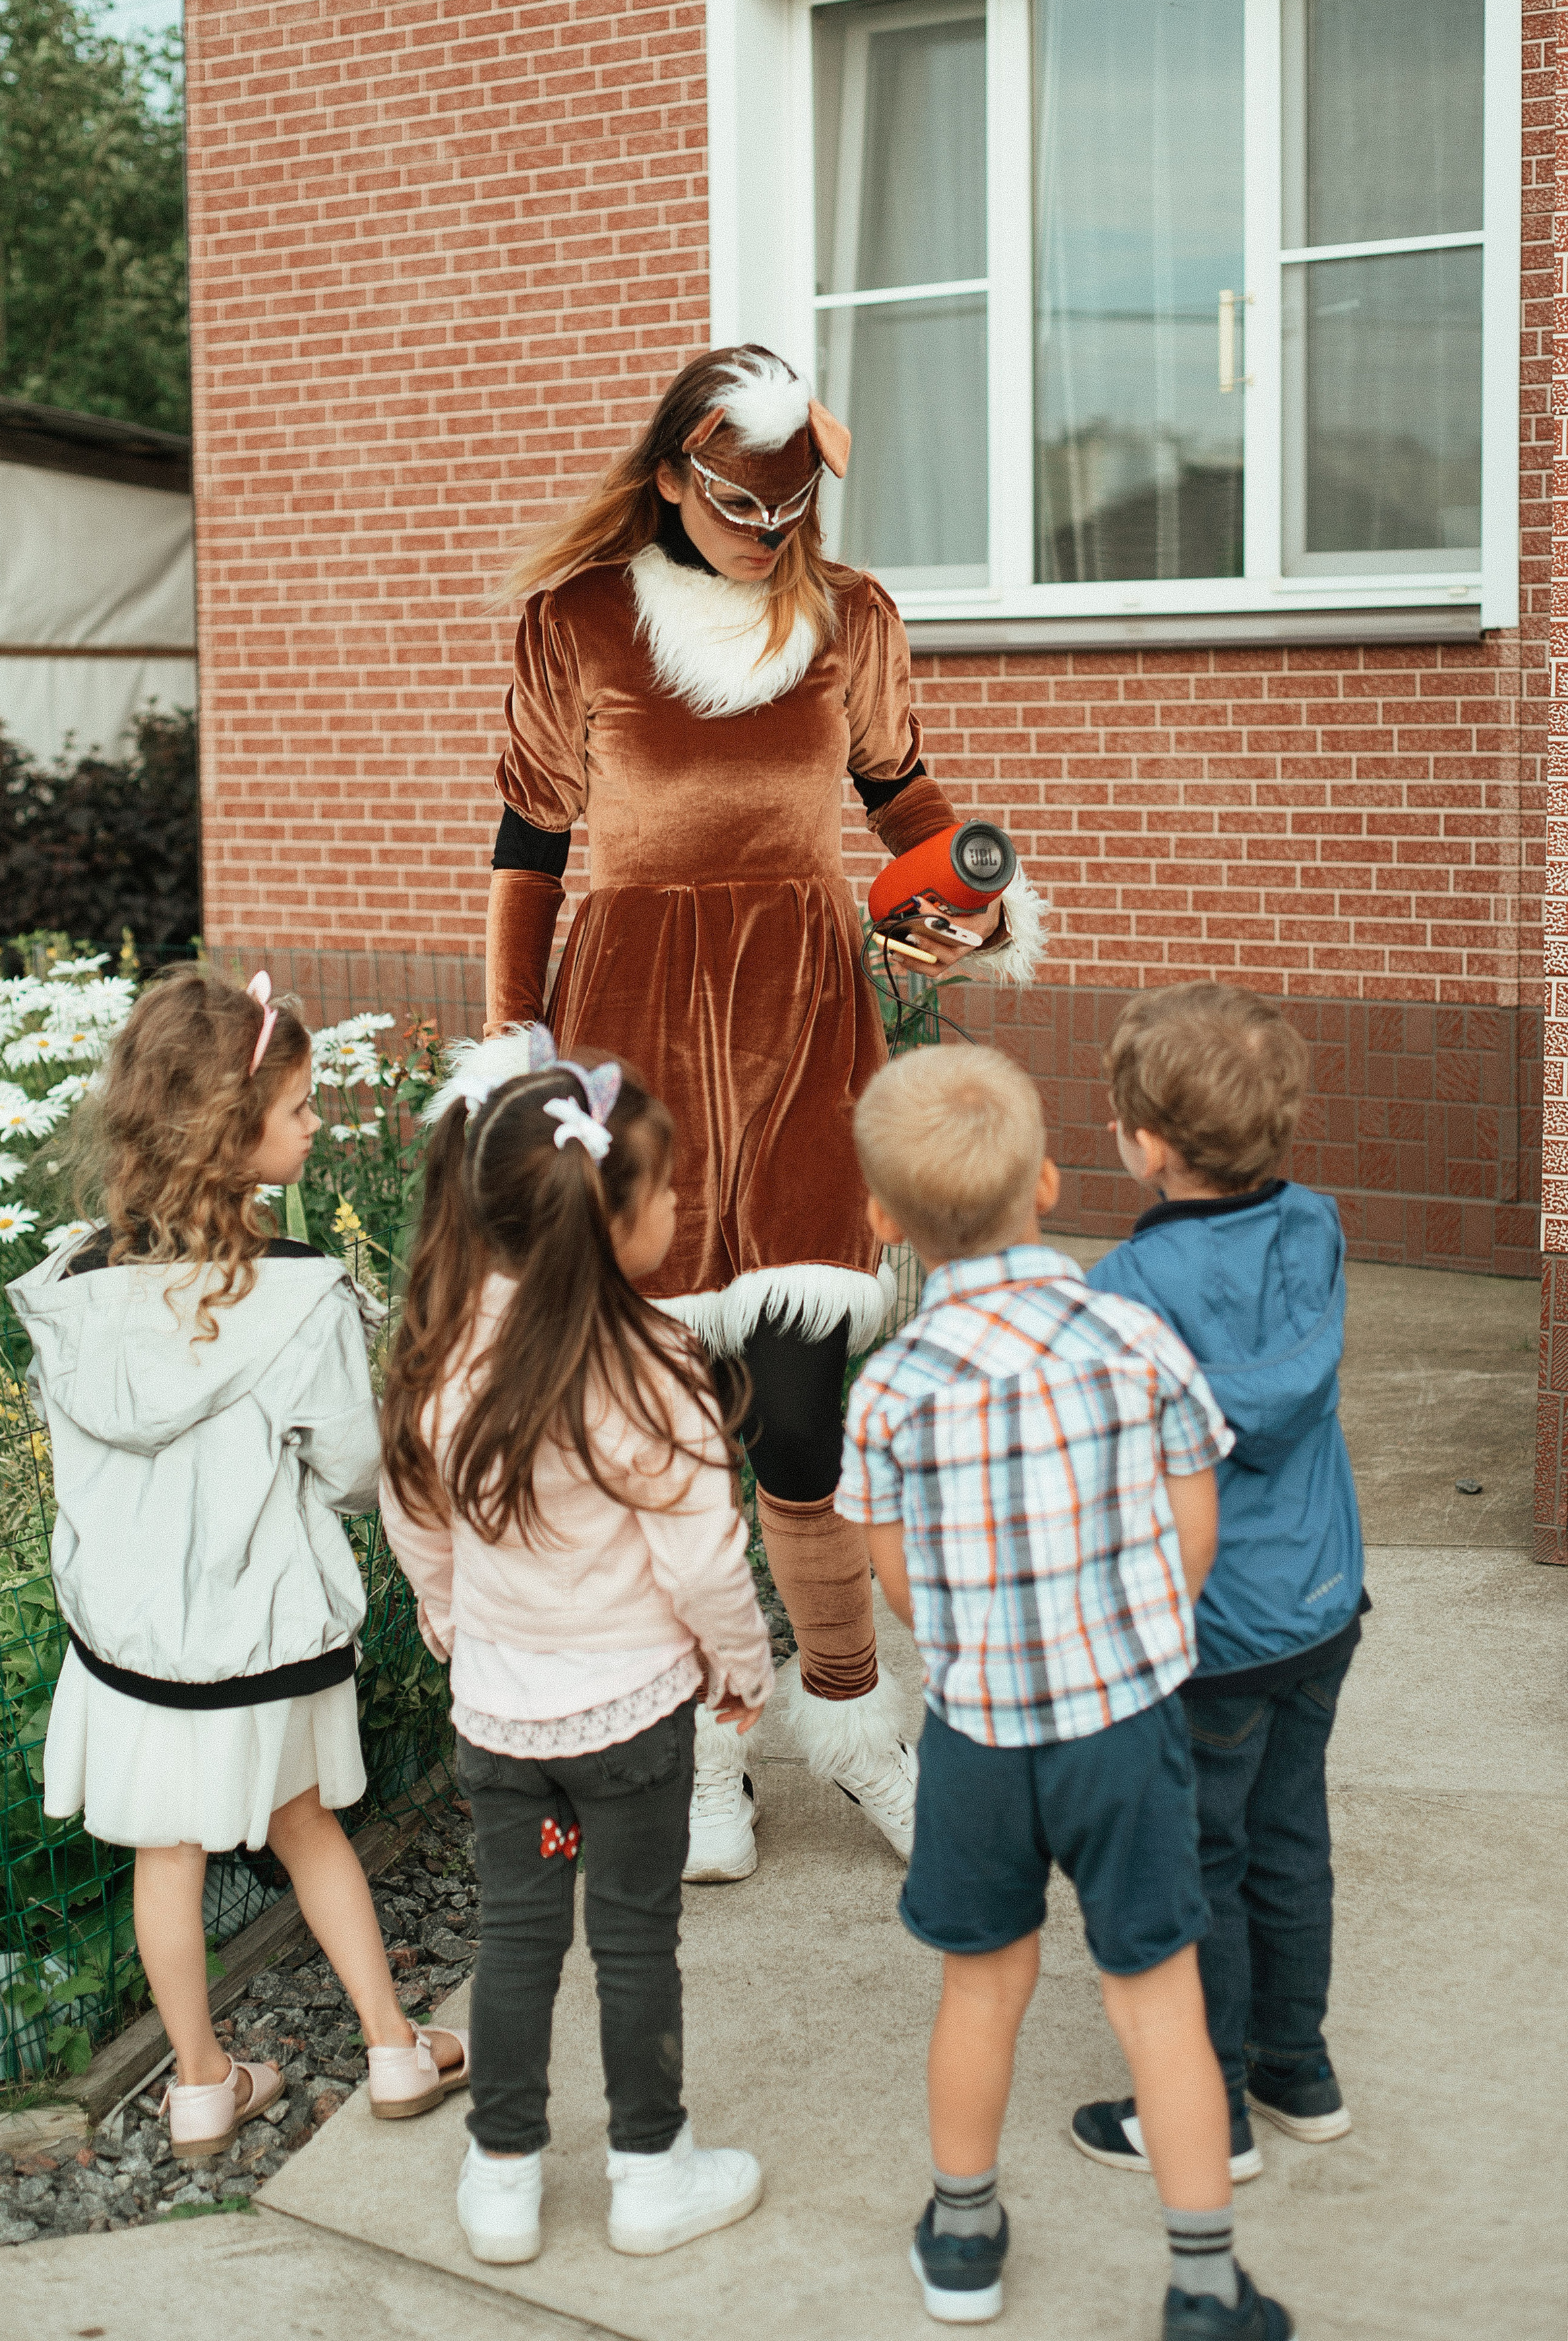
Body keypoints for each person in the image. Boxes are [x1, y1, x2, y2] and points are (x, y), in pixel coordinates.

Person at [480, 340, 1044, 1880]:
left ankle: (858, 1727)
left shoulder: (850, 619)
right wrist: (518, 1050)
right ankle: (712, 1747)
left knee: (799, 1407)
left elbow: (905, 804)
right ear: (669, 476)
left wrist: (963, 905)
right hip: (631, 1029)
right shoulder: (575, 622)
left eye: (790, 510)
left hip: (805, 1018)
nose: (768, 536)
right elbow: (529, 850)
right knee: (663, 1419)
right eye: (739, 506)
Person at [837, 1043, 1292, 2339]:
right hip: (1125, 1717)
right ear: (1044, 1182)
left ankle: (964, 2239)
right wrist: (1136, 1629)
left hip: (980, 1736)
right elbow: (1193, 1525)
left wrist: (987, 1637)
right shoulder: (1130, 1334)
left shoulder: (892, 1389)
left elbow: (898, 1584)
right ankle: (1205, 2286)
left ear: (882, 1218)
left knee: (983, 1986)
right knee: (1158, 1998)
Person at [9, 967, 465, 2164]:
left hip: (138, 1650)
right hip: (267, 1640)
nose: (317, 1124)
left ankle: (203, 2087)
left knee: (169, 1857)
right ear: (232, 1129)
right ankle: (392, 2047)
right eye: (300, 1106)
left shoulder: (74, 1294)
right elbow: (359, 1465)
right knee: (306, 1827)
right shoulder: (297, 1295)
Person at [378, 1030, 775, 2266]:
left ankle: (502, 2179)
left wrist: (449, 1615)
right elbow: (703, 1559)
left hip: (506, 1738)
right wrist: (744, 1670)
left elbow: (413, 1511)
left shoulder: (442, 1351)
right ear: (616, 1222)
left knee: (517, 1942)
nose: (676, 1206)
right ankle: (650, 2172)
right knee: (635, 1939)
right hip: (635, 1738)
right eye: (664, 1191)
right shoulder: (652, 1366)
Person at [1070, 983, 1365, 2183]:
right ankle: (1299, 2070)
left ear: (1145, 1145)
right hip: (1320, 1602)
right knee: (1292, 1838)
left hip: (1208, 1630)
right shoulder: (1320, 1228)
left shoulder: (1126, 1293)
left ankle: (1211, 2111)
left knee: (1205, 1862)